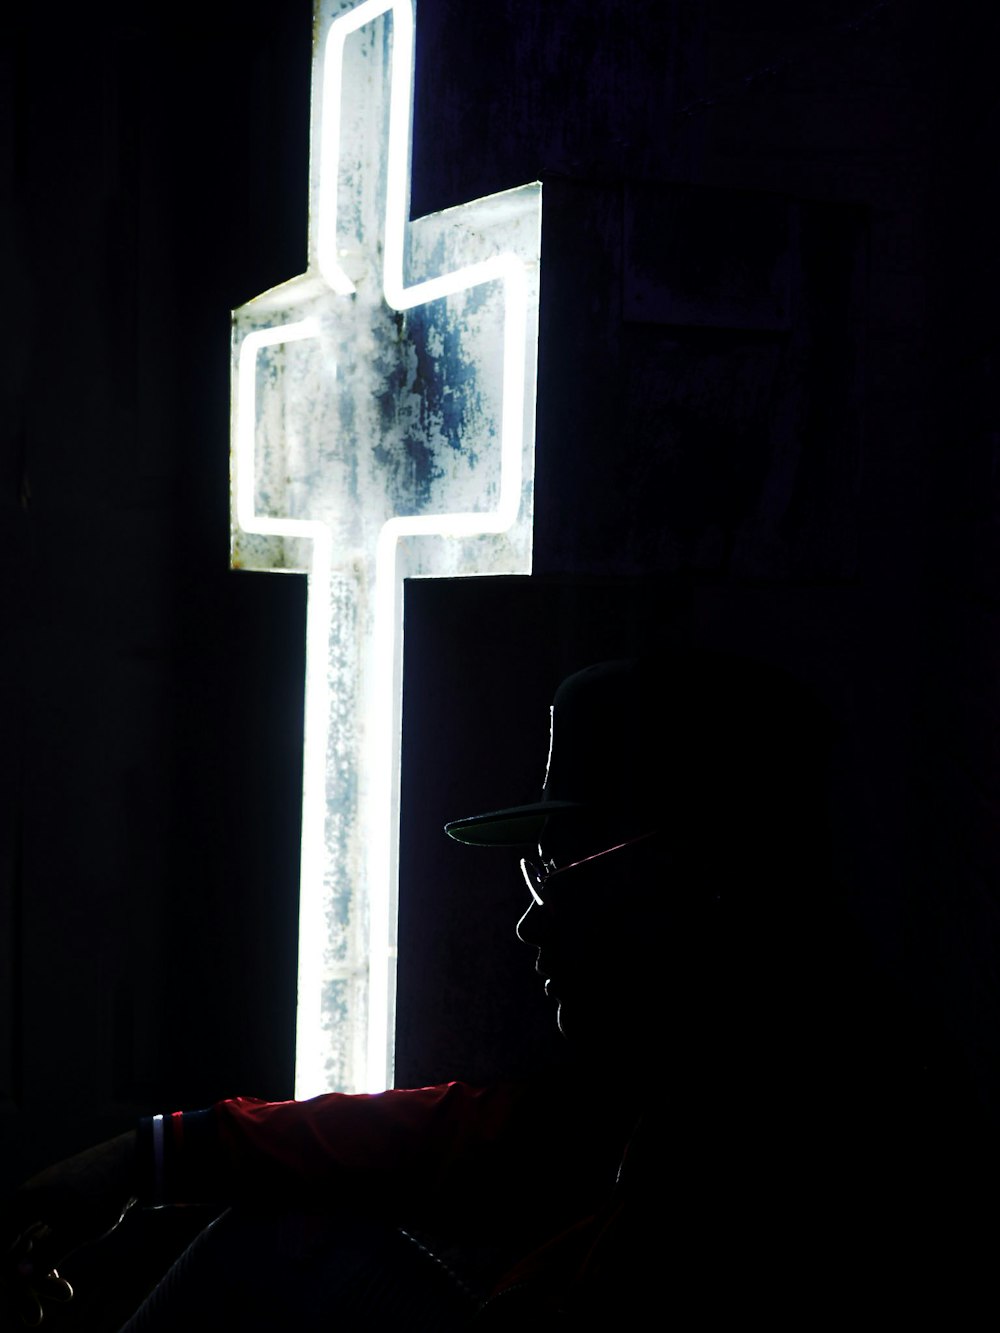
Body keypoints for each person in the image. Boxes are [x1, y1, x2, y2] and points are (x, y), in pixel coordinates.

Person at [1, 650, 917, 1328]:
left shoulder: (777, 1154)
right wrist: (152, 1153)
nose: (533, 920)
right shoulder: (690, 1083)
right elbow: (458, 1136)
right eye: (538, 874)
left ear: (699, 871)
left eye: (566, 869)